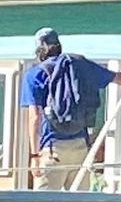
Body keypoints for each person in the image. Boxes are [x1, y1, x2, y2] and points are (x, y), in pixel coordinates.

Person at [19, 28, 113, 189]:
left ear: (39, 50)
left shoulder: (34, 75)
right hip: (80, 147)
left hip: (52, 149)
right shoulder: (80, 66)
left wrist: (34, 156)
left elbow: (34, 117)